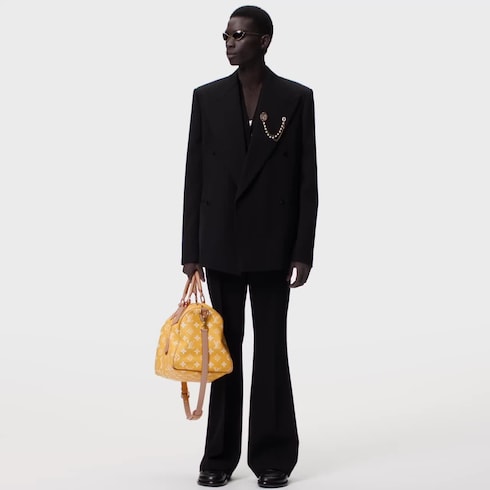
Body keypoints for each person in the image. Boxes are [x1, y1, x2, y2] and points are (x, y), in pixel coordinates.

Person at [181, 5, 318, 488]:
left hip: (273, 245)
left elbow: (306, 180)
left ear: (264, 41)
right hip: (219, 243)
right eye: (226, 36)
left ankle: (274, 455)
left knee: (271, 349)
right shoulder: (206, 98)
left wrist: (302, 250)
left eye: (239, 35)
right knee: (223, 350)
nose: (230, 43)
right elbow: (194, 176)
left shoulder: (296, 98)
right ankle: (218, 457)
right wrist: (190, 252)